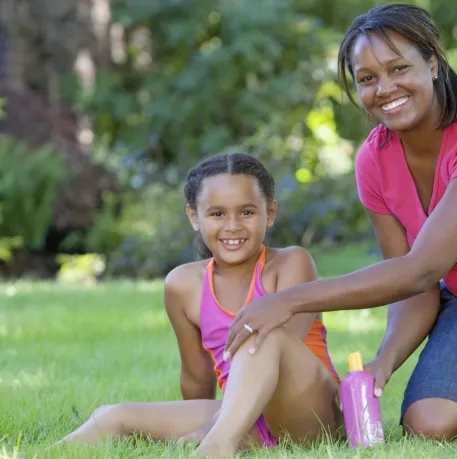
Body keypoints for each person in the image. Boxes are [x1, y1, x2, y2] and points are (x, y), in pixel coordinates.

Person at [223, 4, 457, 443]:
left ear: (432, 62)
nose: (385, 88)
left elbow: (423, 267)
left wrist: (293, 300)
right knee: (430, 423)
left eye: (398, 68)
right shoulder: (374, 159)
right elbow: (415, 288)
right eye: (367, 79)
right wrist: (383, 363)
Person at [58, 153, 342, 457]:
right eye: (217, 214)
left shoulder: (291, 263)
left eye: (246, 212)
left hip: (311, 416)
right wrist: (196, 422)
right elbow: (196, 377)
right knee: (112, 417)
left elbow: (284, 347)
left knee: (261, 334)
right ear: (194, 217)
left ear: (269, 213)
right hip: (243, 420)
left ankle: (215, 447)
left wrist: (210, 430)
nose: (232, 226)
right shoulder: (182, 285)